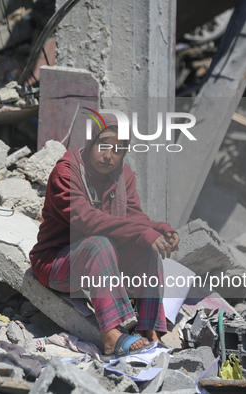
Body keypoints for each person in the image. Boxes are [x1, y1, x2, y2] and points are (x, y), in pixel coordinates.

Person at [29, 116, 180, 360]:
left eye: (119, 149)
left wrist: (159, 228)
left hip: (99, 262)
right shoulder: (66, 172)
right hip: (55, 262)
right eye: (104, 145)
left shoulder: (123, 175)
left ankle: (150, 330)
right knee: (99, 242)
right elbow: (88, 220)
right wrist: (142, 232)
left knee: (146, 249)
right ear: (90, 142)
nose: (110, 155)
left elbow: (134, 218)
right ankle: (111, 336)